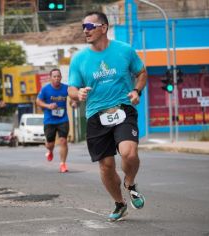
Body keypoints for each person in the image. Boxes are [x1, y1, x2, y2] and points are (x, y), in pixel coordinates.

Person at [68, 11, 148, 222]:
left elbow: (141, 72)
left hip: (122, 108)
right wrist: (79, 93)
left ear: (103, 27)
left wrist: (137, 91)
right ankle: (119, 203)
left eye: (89, 26)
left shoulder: (124, 50)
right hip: (95, 115)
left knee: (129, 154)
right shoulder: (79, 59)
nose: (85, 31)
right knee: (106, 165)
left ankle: (130, 184)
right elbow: (72, 89)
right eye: (83, 27)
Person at [36, 68, 70, 173]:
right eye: (54, 76)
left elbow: (73, 97)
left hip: (63, 119)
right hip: (49, 120)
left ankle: (63, 164)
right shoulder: (46, 89)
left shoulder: (66, 88)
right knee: (50, 144)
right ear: (51, 78)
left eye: (58, 76)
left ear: (61, 77)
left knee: (63, 141)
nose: (56, 78)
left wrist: (74, 102)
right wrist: (48, 105)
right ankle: (50, 150)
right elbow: (38, 101)